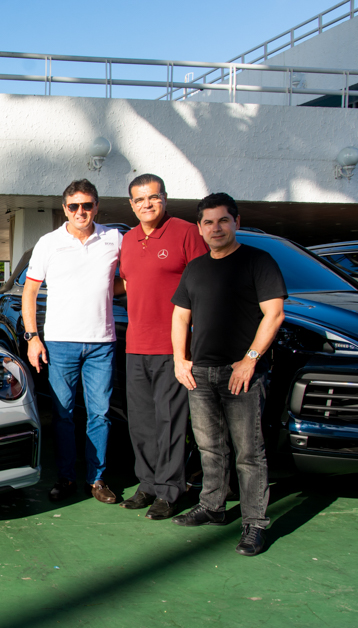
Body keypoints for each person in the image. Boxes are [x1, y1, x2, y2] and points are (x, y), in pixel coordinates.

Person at [170, 193, 285, 556]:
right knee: (209, 447)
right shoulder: (196, 268)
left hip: (243, 375)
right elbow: (179, 316)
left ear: (237, 222)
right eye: (208, 222)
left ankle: (254, 524)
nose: (215, 228)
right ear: (200, 228)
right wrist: (179, 359)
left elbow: (275, 314)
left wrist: (250, 359)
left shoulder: (257, 261)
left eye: (222, 220)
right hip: (201, 374)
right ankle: (213, 507)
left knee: (249, 453)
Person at [23, 179, 123, 504]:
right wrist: (32, 337)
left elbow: (125, 281)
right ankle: (65, 478)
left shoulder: (113, 238)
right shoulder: (48, 243)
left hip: (101, 342)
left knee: (100, 414)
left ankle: (97, 479)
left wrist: (109, 290)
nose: (81, 211)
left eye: (88, 205)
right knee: (63, 414)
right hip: (60, 342)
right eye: (74, 206)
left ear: (97, 206)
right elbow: (30, 291)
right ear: (64, 208)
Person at [117, 174, 208, 519]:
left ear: (165, 198)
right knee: (141, 423)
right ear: (131, 204)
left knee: (170, 422)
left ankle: (170, 491)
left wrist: (190, 348)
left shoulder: (185, 233)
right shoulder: (127, 240)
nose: (146, 205)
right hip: (135, 345)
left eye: (153, 198)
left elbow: (203, 287)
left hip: (174, 347)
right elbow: (127, 284)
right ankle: (148, 485)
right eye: (139, 200)